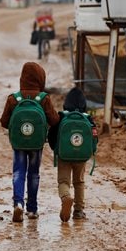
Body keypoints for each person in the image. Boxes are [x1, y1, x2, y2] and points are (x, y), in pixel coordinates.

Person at [0, 62, 59, 222]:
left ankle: (18, 203)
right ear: (40, 78)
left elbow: (4, 122)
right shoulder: (43, 99)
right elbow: (54, 120)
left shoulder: (14, 99)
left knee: (19, 172)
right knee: (33, 174)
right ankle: (32, 209)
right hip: (36, 144)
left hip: (19, 143)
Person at [48, 87, 98, 222]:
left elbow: (51, 136)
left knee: (64, 181)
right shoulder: (88, 119)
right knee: (79, 182)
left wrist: (56, 149)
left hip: (64, 156)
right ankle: (78, 211)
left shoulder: (61, 117)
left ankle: (66, 197)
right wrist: (91, 151)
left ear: (66, 103)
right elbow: (94, 137)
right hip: (81, 156)